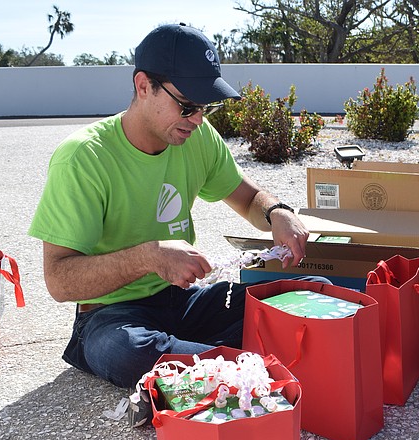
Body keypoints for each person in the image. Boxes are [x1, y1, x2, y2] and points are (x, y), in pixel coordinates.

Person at [28, 23, 324, 390]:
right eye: (186, 106)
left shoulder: (196, 138)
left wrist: (277, 212)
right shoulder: (83, 158)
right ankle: (248, 367)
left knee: (310, 291)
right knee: (127, 352)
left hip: (184, 302)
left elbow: (248, 198)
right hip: (112, 316)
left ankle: (211, 368)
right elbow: (59, 281)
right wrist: (148, 257)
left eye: (205, 107)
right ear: (142, 86)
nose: (197, 119)